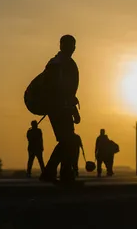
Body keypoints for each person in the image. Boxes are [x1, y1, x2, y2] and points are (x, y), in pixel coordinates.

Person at [39, 35, 81, 184]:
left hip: (64, 107)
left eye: (73, 45)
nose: (71, 48)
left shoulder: (66, 63)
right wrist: (66, 105)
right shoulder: (56, 64)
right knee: (68, 140)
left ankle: (61, 174)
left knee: (68, 141)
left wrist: (73, 109)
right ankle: (56, 173)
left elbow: (69, 91)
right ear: (61, 46)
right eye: (68, 45)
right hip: (58, 108)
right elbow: (55, 89)